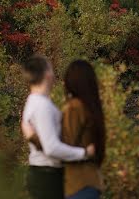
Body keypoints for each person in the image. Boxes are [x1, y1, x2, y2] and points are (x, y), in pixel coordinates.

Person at [22, 55, 95, 199]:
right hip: (47, 175)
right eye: (51, 68)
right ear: (47, 74)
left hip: (45, 174)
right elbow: (51, 148)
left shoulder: (36, 102)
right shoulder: (42, 106)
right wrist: (84, 153)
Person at [61, 60, 106, 199]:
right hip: (92, 180)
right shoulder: (92, 108)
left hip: (77, 183)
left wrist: (34, 135)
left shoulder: (74, 107)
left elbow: (65, 146)